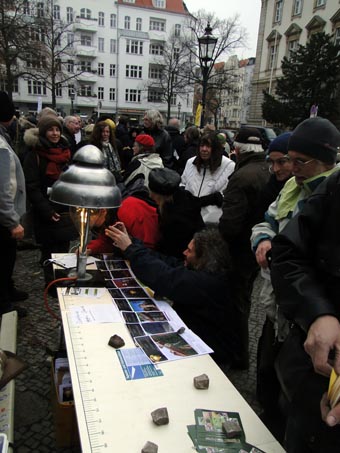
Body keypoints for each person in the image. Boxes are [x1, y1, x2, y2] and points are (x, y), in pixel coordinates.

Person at [268, 122, 340, 453]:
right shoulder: (333, 190)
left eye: (300, 161)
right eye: (287, 160)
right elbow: (287, 250)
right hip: (310, 361)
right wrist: (318, 312)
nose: (290, 169)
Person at [105, 223, 240, 365]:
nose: (184, 253)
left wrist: (130, 248)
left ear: (203, 258)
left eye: (190, 251)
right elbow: (166, 262)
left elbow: (165, 277)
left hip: (211, 352)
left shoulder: (207, 282)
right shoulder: (205, 270)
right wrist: (131, 241)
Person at [218, 127, 270, 369]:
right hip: (254, 246)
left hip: (238, 250)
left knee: (235, 303)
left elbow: (230, 224)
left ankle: (238, 356)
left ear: (237, 149)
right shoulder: (267, 169)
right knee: (244, 301)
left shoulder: (241, 177)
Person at [23, 115, 78, 288]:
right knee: (49, 251)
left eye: (57, 130)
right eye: (50, 129)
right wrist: (46, 210)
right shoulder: (34, 155)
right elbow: (32, 187)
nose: (54, 133)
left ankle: (61, 281)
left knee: (64, 249)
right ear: (43, 132)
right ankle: (52, 286)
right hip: (46, 212)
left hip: (65, 209)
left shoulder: (65, 151)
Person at [0, 91, 27, 317]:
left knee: (8, 260)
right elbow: (1, 188)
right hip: (3, 221)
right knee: (3, 261)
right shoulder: (0, 143)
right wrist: (11, 221)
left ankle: (8, 291)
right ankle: (4, 306)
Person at [148, 167, 204, 259]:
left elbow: (172, 248)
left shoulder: (176, 218)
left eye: (153, 193)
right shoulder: (183, 196)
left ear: (160, 196)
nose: (150, 196)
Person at [181, 131, 235, 224]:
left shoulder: (228, 166)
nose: (204, 149)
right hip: (189, 217)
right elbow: (183, 182)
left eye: (208, 146)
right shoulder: (191, 162)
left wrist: (215, 198)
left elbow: (230, 194)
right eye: (202, 146)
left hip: (212, 221)